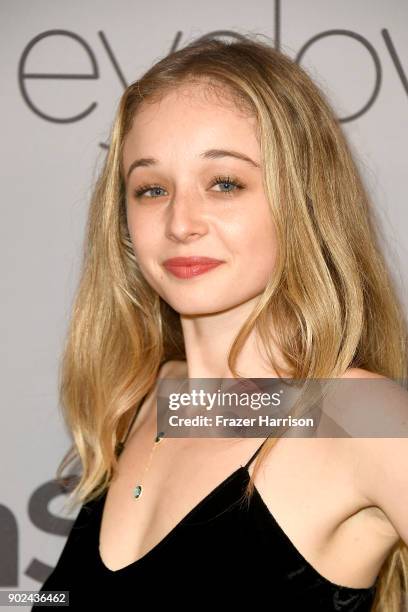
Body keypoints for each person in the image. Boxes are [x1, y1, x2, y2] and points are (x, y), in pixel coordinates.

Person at [32, 34, 408, 611]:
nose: (181, 221)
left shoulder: (358, 418)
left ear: (301, 197)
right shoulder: (143, 398)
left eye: (224, 183)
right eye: (152, 188)